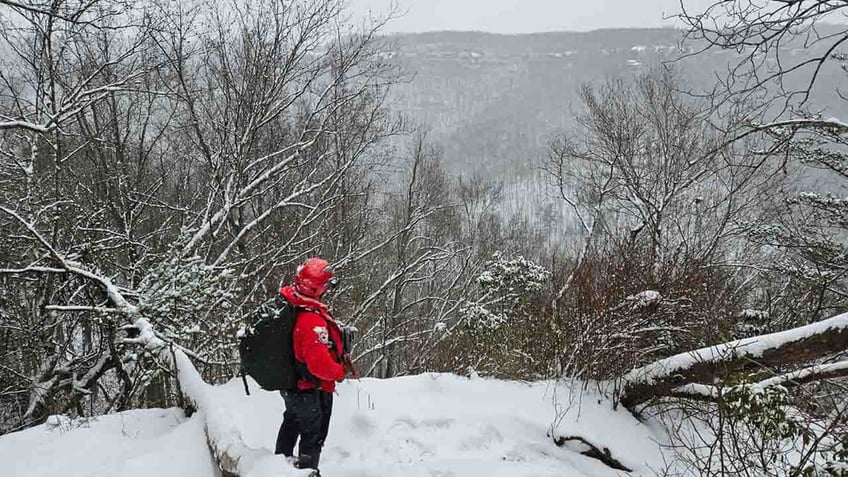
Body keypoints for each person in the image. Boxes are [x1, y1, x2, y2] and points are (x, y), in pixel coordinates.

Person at [275, 257, 352, 475]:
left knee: (291, 424)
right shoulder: (310, 321)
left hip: (294, 387)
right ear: (316, 288)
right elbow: (319, 366)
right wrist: (339, 371)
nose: (327, 289)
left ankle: (278, 468)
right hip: (309, 389)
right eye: (324, 285)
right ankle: (307, 472)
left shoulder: (293, 304)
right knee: (313, 437)